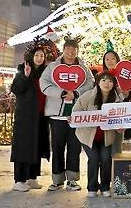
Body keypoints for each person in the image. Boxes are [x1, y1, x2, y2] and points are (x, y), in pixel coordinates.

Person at [41, 39, 94, 191]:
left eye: (74, 49)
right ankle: (57, 180)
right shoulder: (52, 67)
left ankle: (72, 179)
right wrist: (62, 93)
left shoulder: (84, 68)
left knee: (74, 147)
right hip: (57, 116)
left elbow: (90, 84)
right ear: (63, 50)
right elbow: (44, 84)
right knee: (57, 147)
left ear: (77, 51)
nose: (71, 52)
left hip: (76, 116)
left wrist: (76, 93)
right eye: (68, 49)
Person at [10, 36, 59, 192]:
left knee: (37, 146)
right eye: (37, 55)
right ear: (31, 56)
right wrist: (25, 76)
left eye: (42, 56)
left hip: (41, 116)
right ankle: (19, 180)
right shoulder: (22, 69)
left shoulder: (45, 72)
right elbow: (16, 90)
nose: (39, 58)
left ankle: (32, 177)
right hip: (25, 117)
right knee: (24, 147)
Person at [73, 71, 123, 198]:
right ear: (98, 82)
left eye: (110, 81)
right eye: (104, 80)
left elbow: (121, 119)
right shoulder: (87, 96)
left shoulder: (117, 100)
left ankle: (105, 186)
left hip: (106, 138)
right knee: (94, 158)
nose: (107, 83)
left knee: (106, 158)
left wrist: (120, 128)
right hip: (87, 137)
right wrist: (74, 119)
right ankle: (92, 187)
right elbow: (76, 112)